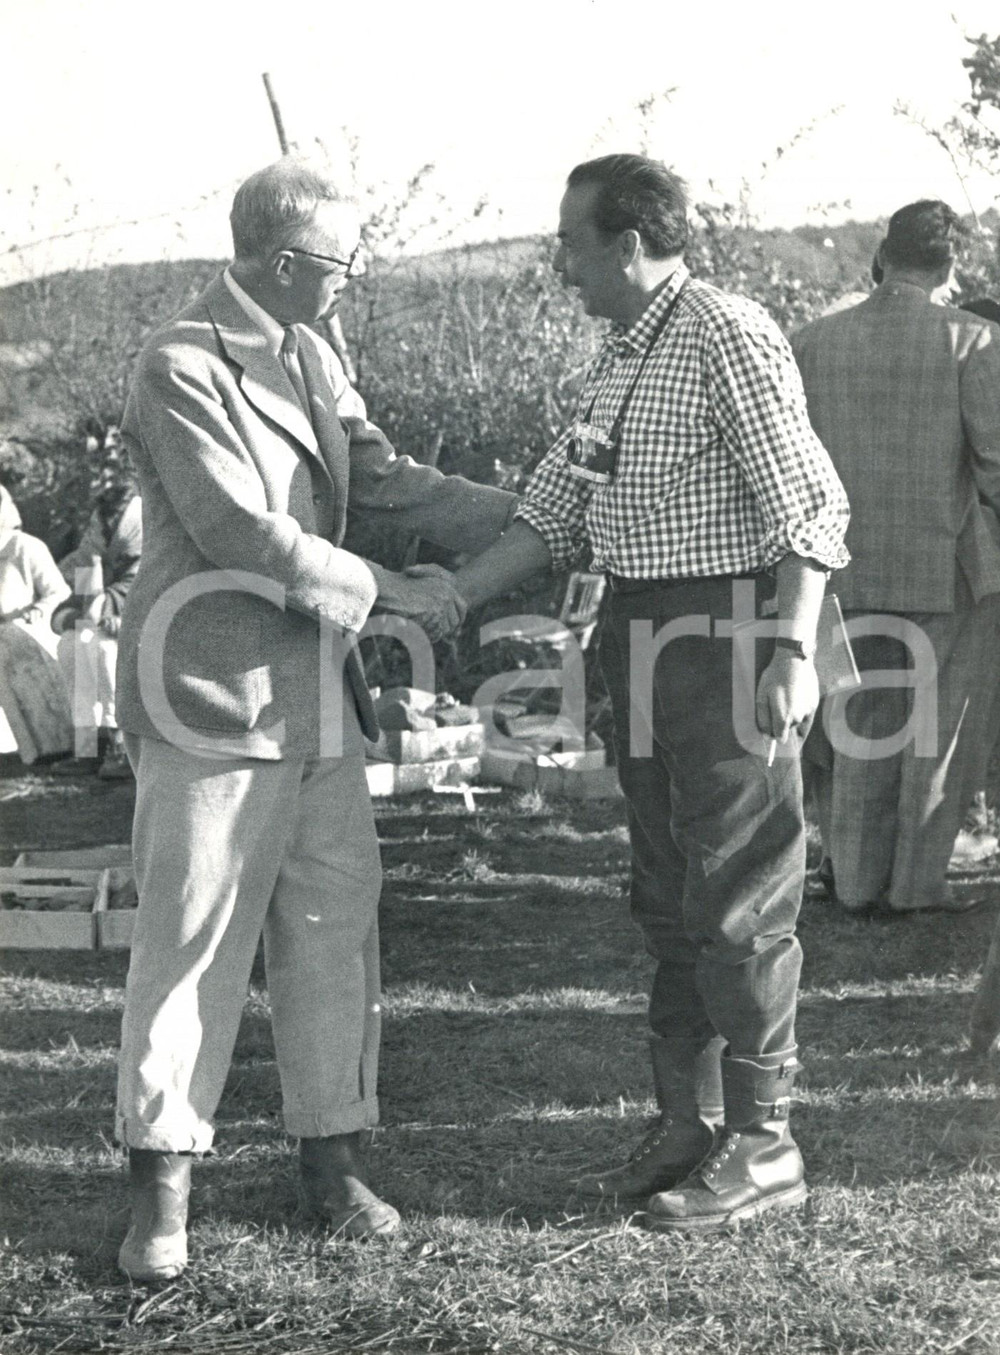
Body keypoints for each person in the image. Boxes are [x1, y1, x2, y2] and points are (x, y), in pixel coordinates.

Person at [113, 155, 516, 1283]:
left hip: (314, 694)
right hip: (207, 687)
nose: (355, 278)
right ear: (286, 261)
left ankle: (330, 1160)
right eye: (344, 262)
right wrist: (399, 595)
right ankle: (162, 1186)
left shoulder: (314, 347)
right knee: (191, 937)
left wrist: (533, 512)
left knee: (335, 926)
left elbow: (383, 481)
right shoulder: (179, 365)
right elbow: (245, 533)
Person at [451, 154, 849, 1232]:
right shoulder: (622, 355)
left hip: (727, 628)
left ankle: (766, 1144)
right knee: (668, 887)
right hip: (639, 628)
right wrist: (449, 596)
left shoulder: (728, 330)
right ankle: (692, 1120)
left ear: (628, 243)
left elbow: (808, 505)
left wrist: (792, 651)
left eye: (573, 245)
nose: (563, 267)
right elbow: (552, 510)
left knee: (738, 889)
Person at [793, 201, 1000, 915]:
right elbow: (996, 467)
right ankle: (916, 886)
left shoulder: (813, 342)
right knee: (937, 734)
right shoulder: (971, 341)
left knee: (859, 724)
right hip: (947, 571)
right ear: (949, 267)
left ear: (883, 255)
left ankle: (853, 881)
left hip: (839, 571)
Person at [50, 444, 142, 779]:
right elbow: (86, 580)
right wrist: (76, 613)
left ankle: (120, 745)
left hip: (145, 622)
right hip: (104, 615)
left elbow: (144, 583)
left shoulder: (146, 530)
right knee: (72, 645)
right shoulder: (96, 538)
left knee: (103, 649)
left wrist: (113, 612)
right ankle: (87, 747)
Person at [0, 484, 73, 763]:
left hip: (25, 631)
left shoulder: (23, 546)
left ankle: (50, 746)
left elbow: (59, 592)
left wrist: (39, 611)